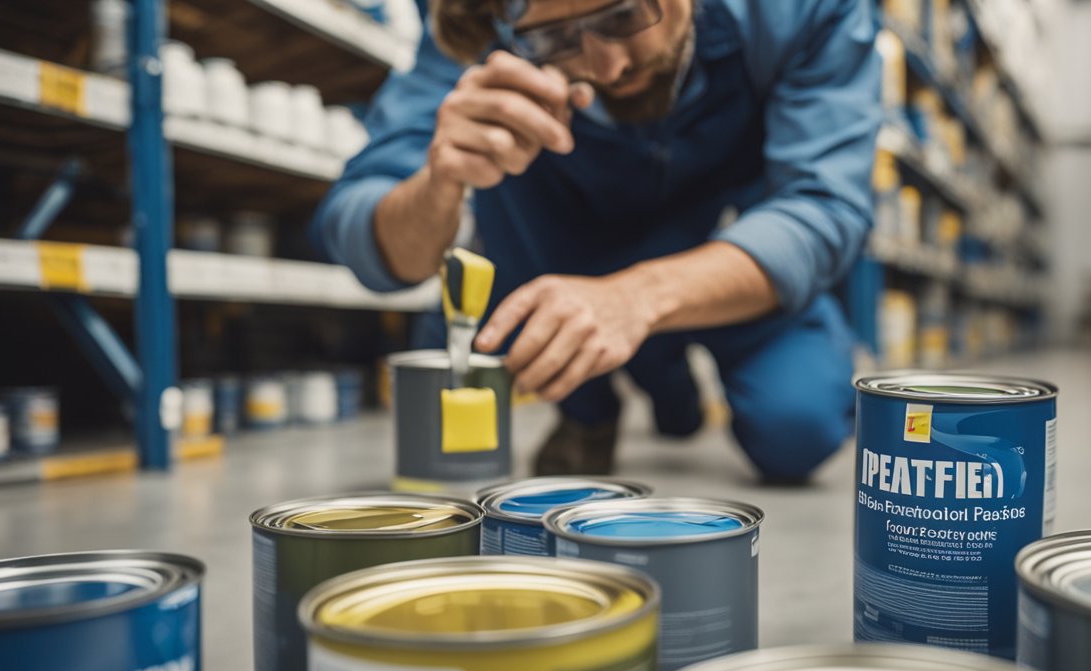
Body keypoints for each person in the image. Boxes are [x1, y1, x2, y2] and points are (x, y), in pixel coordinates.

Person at [312, 0, 882, 481]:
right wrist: (439, 180)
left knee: (798, 425)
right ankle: (588, 406)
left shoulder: (802, 11)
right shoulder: (484, 26)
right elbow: (360, 227)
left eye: (625, 14)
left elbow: (825, 206)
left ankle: (667, 380)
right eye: (554, 37)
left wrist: (638, 298)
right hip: (559, 255)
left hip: (726, 263)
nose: (607, 67)